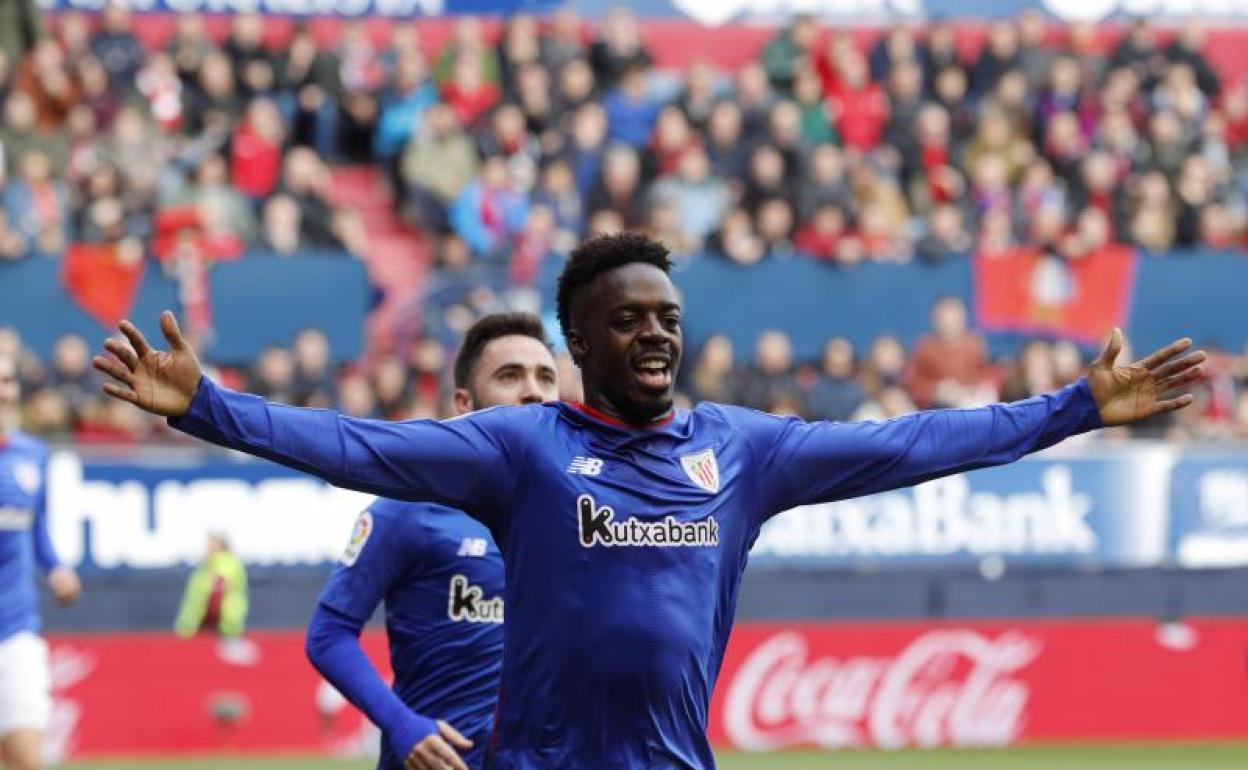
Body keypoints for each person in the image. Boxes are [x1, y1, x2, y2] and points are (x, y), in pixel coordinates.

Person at [93, 233, 1205, 770]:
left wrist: (1072, 406)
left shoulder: (743, 449)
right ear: (579, 343)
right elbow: (354, 443)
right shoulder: (520, 447)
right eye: (630, 319)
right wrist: (207, 408)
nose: (658, 332)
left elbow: (915, 440)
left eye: (668, 315)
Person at [306, 313, 559, 770]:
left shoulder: (574, 511)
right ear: (464, 403)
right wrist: (402, 725)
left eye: (546, 376)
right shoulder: (407, 508)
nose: (533, 390)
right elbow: (328, 635)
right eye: (510, 375)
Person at [0, 354, 80, 770]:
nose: (2, 389)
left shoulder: (32, 454)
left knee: (28, 759)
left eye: (8, 380)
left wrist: (56, 568)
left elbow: (36, 524)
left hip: (15, 629)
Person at [173, 532, 248, 640]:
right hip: (199, 629)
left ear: (221, 546)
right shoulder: (207, 566)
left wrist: (209, 623)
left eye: (211, 545)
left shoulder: (224, 566)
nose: (207, 549)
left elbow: (216, 595)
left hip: (218, 630)